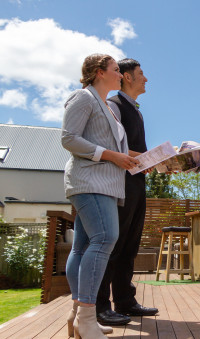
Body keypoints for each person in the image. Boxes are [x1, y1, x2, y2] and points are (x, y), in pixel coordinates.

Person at [62, 54, 139, 339]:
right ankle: (86, 318)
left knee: (81, 247)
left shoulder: (108, 107)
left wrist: (148, 160)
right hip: (91, 182)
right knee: (105, 238)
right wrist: (110, 156)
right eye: (116, 70)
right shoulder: (83, 98)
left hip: (106, 184)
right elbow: (68, 138)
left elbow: (117, 149)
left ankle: (78, 315)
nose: (121, 75)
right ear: (99, 72)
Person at [96, 58, 158, 326]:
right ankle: (100, 306)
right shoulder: (114, 106)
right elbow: (113, 146)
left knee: (130, 245)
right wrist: (149, 157)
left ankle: (125, 301)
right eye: (142, 74)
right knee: (114, 245)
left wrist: (157, 162)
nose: (146, 79)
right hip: (119, 184)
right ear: (128, 77)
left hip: (137, 184)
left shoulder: (137, 110)